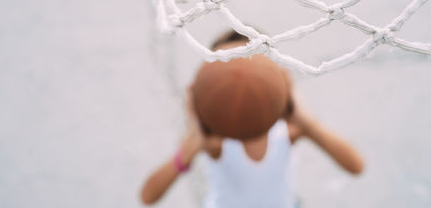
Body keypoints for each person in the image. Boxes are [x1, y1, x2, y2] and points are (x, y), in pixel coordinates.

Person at [140, 30, 364, 208]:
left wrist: (305, 121)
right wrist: (192, 143)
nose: (241, 77)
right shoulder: (215, 143)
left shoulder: (288, 131)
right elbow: (148, 196)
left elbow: (356, 166)